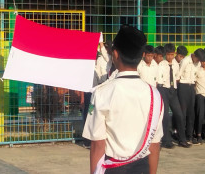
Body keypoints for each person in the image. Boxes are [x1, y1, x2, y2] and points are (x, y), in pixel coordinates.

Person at [83, 25, 163, 174]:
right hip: (143, 167)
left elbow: (98, 145)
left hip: (113, 168)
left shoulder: (102, 93)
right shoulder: (155, 95)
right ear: (141, 56)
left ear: (115, 54)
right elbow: (154, 145)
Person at [157, 43, 189, 148]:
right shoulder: (161, 65)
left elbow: (176, 76)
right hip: (164, 89)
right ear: (165, 54)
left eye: (172, 54)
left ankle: (182, 139)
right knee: (165, 116)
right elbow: (159, 80)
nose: (170, 57)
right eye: (168, 55)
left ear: (174, 53)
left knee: (179, 114)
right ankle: (166, 140)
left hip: (173, 90)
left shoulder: (176, 64)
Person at [177, 49, 205, 143]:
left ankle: (190, 136)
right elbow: (178, 75)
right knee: (183, 112)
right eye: (198, 59)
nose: (198, 61)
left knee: (191, 113)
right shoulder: (185, 61)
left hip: (191, 87)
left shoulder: (197, 63)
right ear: (194, 55)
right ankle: (182, 136)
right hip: (183, 86)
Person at [194, 56, 205, 145]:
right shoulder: (198, 70)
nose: (204, 63)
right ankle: (198, 135)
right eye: (203, 61)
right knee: (200, 116)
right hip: (200, 95)